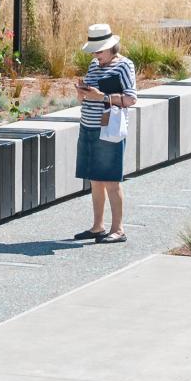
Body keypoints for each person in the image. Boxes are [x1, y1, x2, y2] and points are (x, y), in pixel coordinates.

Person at [72, 24, 137, 244]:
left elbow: (130, 99)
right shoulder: (93, 65)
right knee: (95, 179)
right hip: (88, 125)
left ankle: (118, 229)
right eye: (93, 51)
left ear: (111, 48)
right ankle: (98, 226)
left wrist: (103, 97)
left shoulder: (124, 65)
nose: (95, 55)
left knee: (111, 180)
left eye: (99, 51)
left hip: (109, 130)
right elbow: (87, 97)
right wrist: (82, 93)